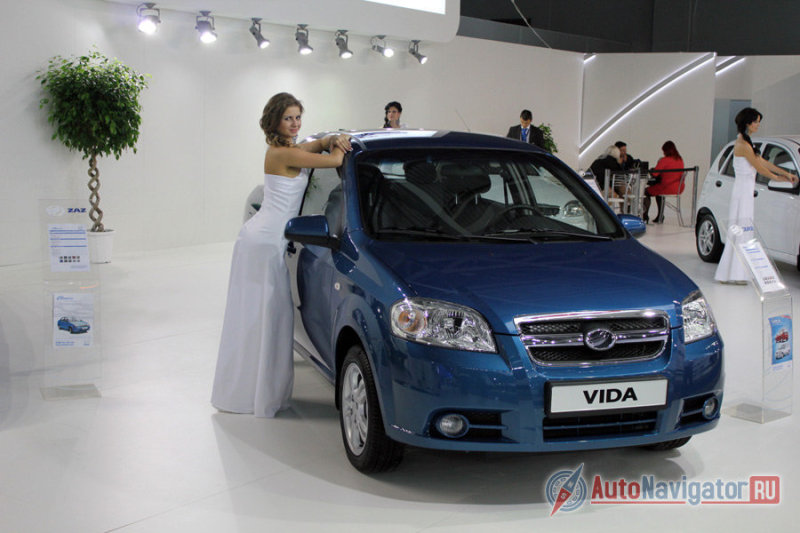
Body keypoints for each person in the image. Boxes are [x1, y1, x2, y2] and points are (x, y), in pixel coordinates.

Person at [211, 92, 351, 417]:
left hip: (269, 238)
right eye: (288, 118)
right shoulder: (281, 154)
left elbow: (317, 145)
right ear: (275, 121)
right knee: (263, 316)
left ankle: (254, 390)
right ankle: (251, 395)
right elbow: (334, 161)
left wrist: (330, 138)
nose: (295, 123)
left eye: (298, 117)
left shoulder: (288, 150)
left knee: (267, 316)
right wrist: (339, 144)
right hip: (264, 242)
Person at [714, 108, 798, 284]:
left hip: (746, 193)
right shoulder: (742, 145)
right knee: (741, 231)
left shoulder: (747, 143)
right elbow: (760, 168)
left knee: (744, 232)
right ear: (747, 123)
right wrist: (779, 178)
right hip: (742, 194)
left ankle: (736, 273)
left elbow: (763, 162)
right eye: (756, 122)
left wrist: (786, 173)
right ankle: (734, 274)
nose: (758, 125)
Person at [642, 140, 684, 223]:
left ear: (666, 151)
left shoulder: (664, 160)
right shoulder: (680, 160)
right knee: (658, 192)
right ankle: (660, 215)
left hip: (666, 187)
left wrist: (651, 170)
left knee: (645, 192)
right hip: (679, 187)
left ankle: (645, 216)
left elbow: (655, 174)